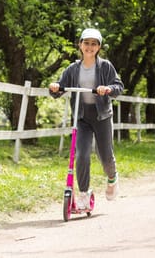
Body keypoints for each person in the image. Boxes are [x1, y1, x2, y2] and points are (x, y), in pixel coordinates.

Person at [49, 28, 124, 209]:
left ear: (98, 47)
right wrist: (55, 87)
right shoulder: (73, 69)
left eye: (94, 44)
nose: (89, 47)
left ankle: (112, 178)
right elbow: (60, 87)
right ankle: (83, 193)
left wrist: (108, 89)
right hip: (81, 117)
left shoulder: (105, 66)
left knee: (105, 156)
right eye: (86, 43)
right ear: (80, 45)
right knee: (81, 155)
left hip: (102, 116)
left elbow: (118, 86)